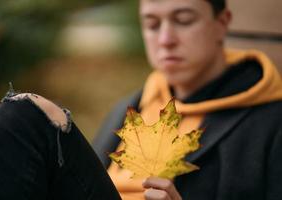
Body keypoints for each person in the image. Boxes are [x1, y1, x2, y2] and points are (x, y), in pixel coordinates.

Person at [93, 0, 282, 199]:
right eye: (152, 24)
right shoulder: (132, 106)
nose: (166, 39)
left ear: (222, 23)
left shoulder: (272, 123)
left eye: (184, 20)